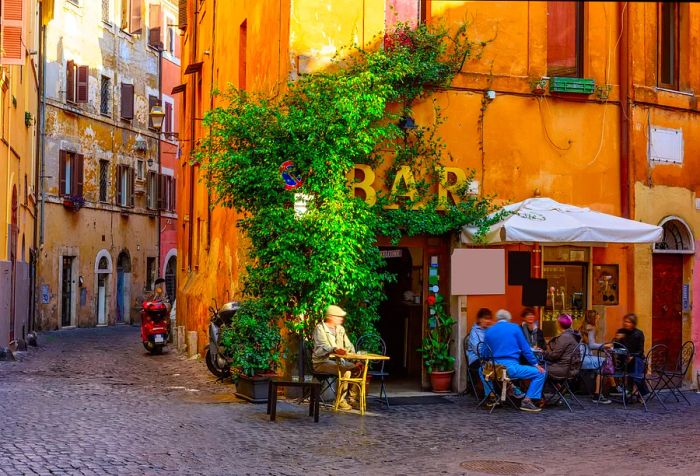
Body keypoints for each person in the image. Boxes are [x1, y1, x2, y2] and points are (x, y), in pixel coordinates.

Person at [483, 309, 547, 413]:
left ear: (497, 319)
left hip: (493, 368)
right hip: (510, 368)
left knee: (481, 371)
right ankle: (527, 401)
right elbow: (526, 349)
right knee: (541, 373)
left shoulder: (489, 330)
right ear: (508, 319)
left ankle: (492, 396)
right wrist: (535, 364)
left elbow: (484, 353)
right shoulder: (515, 328)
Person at [312, 305, 362, 411]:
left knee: (357, 368)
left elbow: (348, 345)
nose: (341, 319)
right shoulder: (320, 328)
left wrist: (356, 359)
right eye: (339, 316)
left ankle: (352, 399)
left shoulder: (340, 329)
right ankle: (340, 401)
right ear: (331, 317)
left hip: (338, 361)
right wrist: (334, 349)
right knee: (346, 371)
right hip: (321, 362)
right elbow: (322, 347)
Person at [578, 310, 611, 404]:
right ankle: (598, 394)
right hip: (584, 358)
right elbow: (592, 345)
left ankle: (599, 392)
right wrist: (605, 345)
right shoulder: (591, 328)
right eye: (597, 318)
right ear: (593, 318)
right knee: (604, 362)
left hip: (579, 358)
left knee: (601, 362)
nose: (598, 319)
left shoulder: (583, 327)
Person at [614, 313, 648, 398]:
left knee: (636, 360)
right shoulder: (621, 332)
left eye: (628, 322)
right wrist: (618, 339)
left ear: (633, 323)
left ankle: (634, 389)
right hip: (623, 360)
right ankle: (637, 389)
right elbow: (616, 348)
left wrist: (632, 356)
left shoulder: (639, 333)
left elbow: (640, 351)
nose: (626, 323)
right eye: (625, 321)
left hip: (636, 359)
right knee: (636, 364)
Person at [543, 314, 581, 379]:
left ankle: (544, 389)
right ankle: (555, 388)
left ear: (559, 324)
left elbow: (554, 356)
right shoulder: (573, 335)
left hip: (564, 369)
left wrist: (543, 353)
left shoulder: (564, 337)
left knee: (539, 369)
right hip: (573, 368)